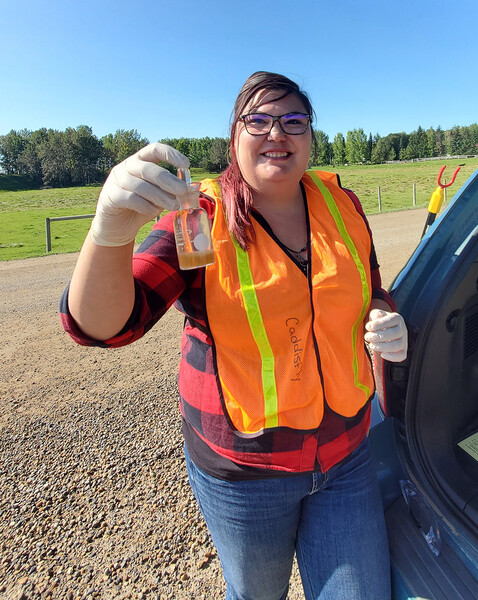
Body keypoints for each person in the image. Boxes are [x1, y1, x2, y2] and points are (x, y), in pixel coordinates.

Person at [61, 71, 408, 600]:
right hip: (245, 476)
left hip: (346, 457)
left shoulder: (344, 205)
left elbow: (371, 289)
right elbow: (106, 326)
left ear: (311, 137)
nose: (278, 133)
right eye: (259, 121)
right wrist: (107, 233)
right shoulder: (199, 217)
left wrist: (386, 319)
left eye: (294, 121)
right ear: (234, 137)